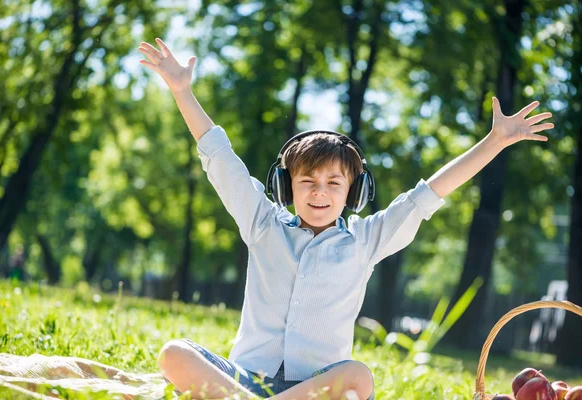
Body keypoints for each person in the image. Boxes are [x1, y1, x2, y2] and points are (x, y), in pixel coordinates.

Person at [138, 38, 554, 400]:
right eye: (307, 181)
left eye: (334, 183)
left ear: (354, 192)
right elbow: (220, 158)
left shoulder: (366, 240)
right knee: (174, 353)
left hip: (316, 387)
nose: (320, 192)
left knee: (358, 376)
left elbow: (430, 193)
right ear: (287, 187)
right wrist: (181, 91)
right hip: (249, 379)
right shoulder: (262, 222)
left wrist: (495, 142)